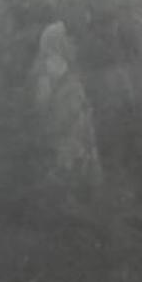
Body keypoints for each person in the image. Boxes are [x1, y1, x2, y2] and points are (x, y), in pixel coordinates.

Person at [30, 21, 103, 208]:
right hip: (62, 134)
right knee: (65, 181)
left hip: (74, 131)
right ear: (58, 42)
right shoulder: (46, 69)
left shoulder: (66, 65)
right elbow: (42, 108)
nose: (74, 45)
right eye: (69, 41)